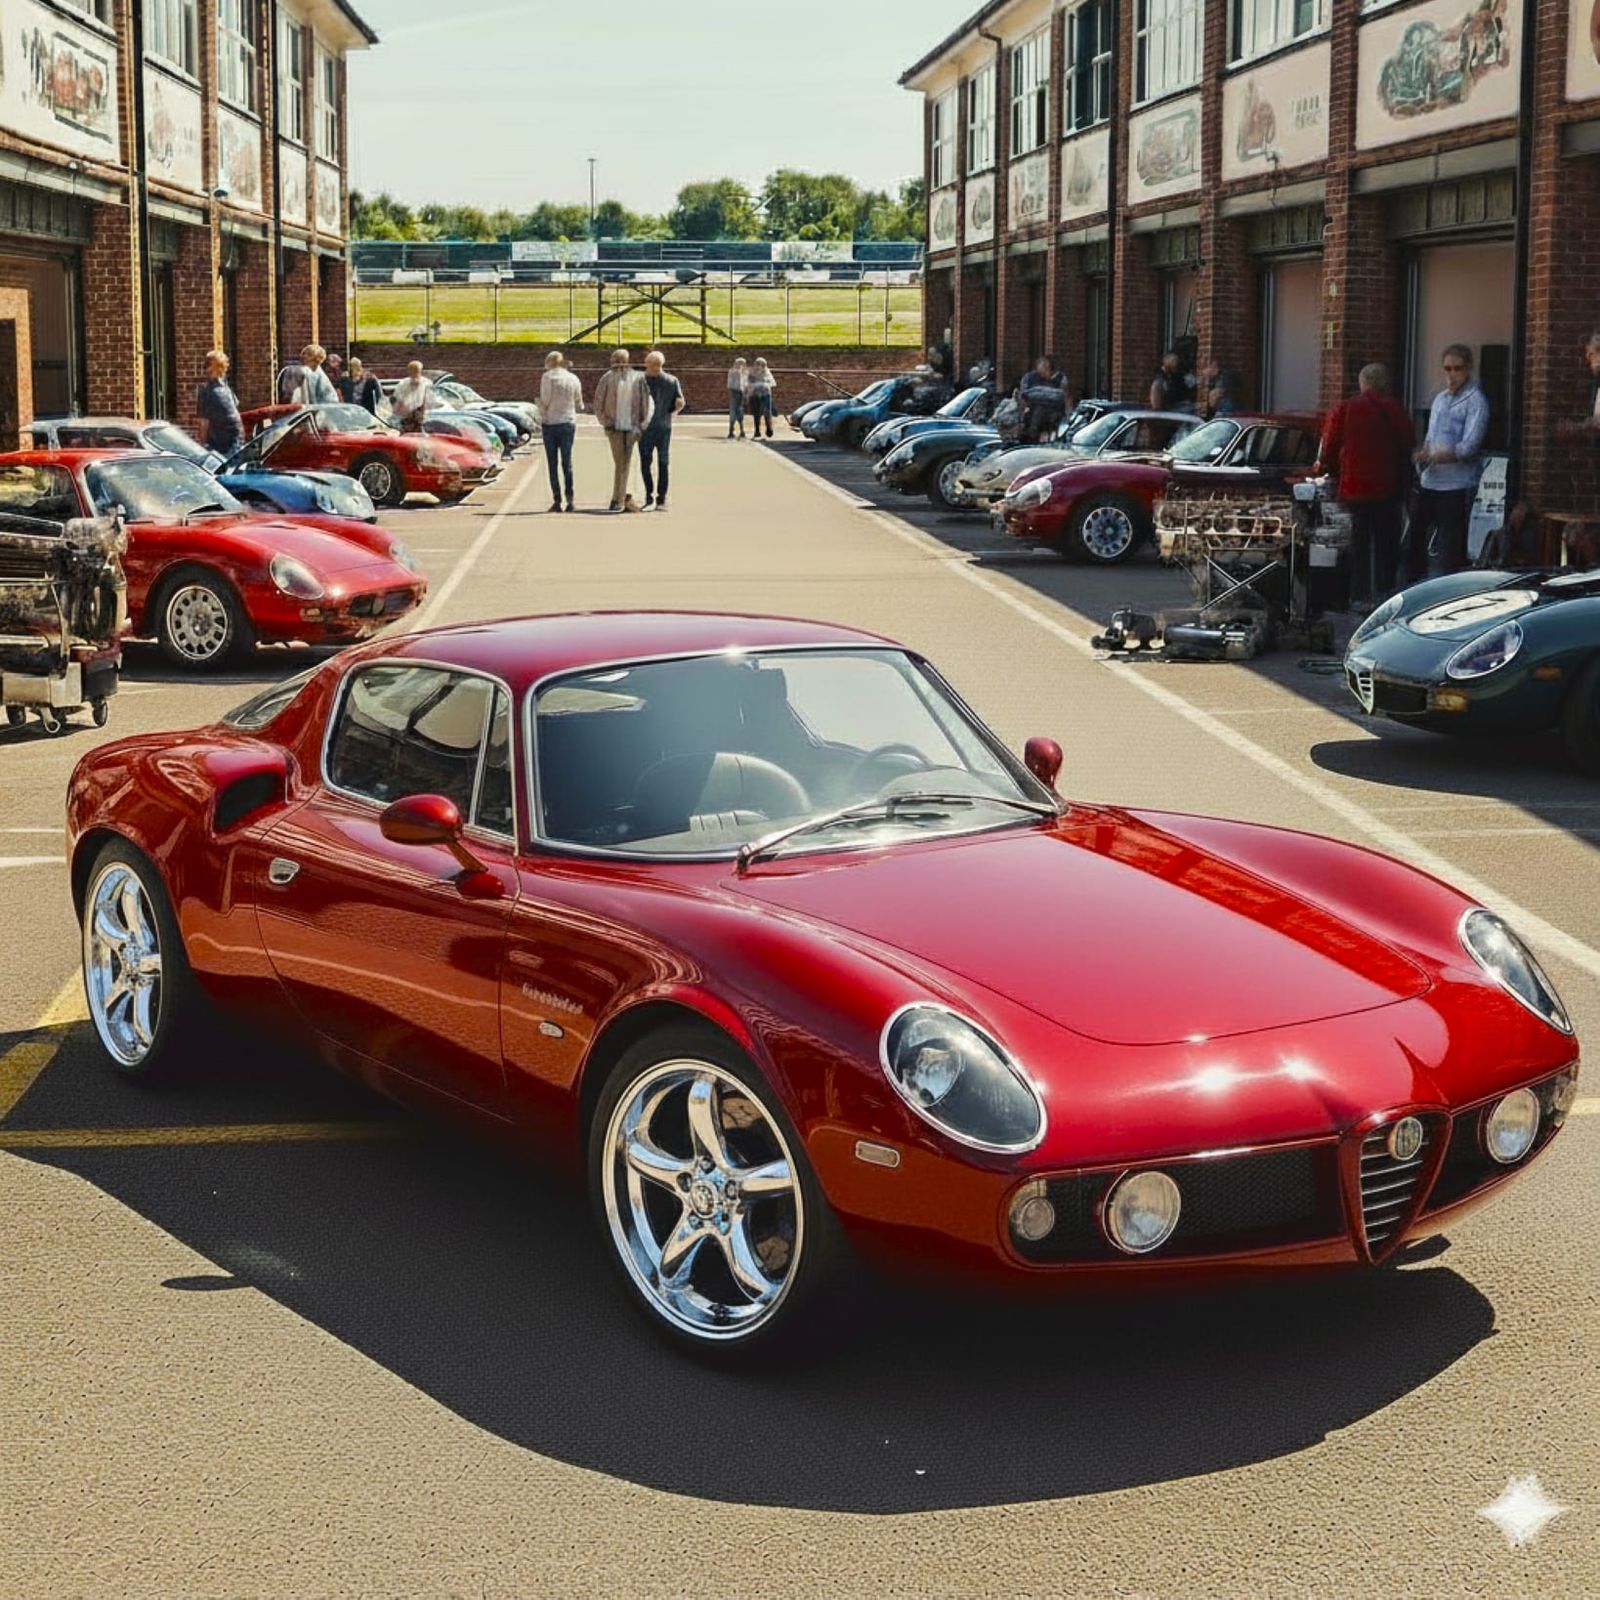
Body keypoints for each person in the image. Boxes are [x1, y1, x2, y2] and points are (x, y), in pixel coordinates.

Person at [1315, 363, 1416, 607]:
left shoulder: (1346, 408)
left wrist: (1324, 465)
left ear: (1362, 383)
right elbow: (1409, 440)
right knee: (1386, 544)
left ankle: (1358, 595)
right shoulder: (1394, 408)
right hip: (1387, 488)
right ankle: (1386, 595)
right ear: (1384, 383)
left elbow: (1329, 445)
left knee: (1359, 545)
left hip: (1355, 488)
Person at [1406, 342, 1490, 580]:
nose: (1452, 375)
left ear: (1468, 369)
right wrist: (1424, 454)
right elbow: (1432, 437)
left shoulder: (1476, 401)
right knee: (1414, 541)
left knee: (1449, 548)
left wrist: (1443, 454)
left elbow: (1470, 445)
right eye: (1448, 369)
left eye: (1457, 369)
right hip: (1430, 480)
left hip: (1456, 484)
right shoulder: (1440, 399)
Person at [592, 347, 654, 512]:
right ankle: (620, 498)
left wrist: (642, 425)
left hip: (632, 427)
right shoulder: (607, 378)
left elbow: (645, 403)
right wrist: (605, 422)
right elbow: (598, 403)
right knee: (621, 463)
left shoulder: (637, 378)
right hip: (614, 427)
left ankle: (619, 499)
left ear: (626, 362)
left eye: (619, 361)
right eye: (614, 361)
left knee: (624, 464)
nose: (616, 364)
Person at [639, 349, 685, 512]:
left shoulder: (671, 381)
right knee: (646, 462)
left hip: (663, 427)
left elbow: (679, 401)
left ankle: (661, 498)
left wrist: (678, 405)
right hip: (644, 428)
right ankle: (648, 495)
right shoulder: (640, 381)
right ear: (646, 364)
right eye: (652, 365)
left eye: (657, 365)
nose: (654, 368)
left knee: (663, 462)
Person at [538, 350, 582, 513]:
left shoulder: (548, 377)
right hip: (568, 422)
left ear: (549, 362)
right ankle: (571, 499)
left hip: (551, 423)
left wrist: (542, 414)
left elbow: (545, 400)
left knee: (552, 462)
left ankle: (557, 500)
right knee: (567, 461)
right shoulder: (573, 378)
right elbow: (579, 400)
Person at [194, 349, 244, 459]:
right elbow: (236, 413)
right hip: (236, 442)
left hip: (219, 446)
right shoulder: (226, 389)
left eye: (207, 364)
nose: (205, 367)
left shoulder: (207, 392)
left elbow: (204, 423)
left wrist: (201, 448)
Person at [1018, 355, 1068, 442]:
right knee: (1037, 413)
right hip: (1034, 408)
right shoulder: (1029, 378)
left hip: (1054, 409)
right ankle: (1033, 437)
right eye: (1042, 368)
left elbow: (1066, 396)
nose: (1044, 372)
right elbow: (1022, 396)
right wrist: (1021, 412)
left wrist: (1068, 414)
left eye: (1046, 368)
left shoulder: (1060, 378)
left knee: (1046, 414)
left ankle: (1044, 436)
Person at [390, 360, 436, 432]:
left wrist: (422, 411)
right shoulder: (402, 384)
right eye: (412, 370)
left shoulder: (428, 383)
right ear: (408, 371)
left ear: (421, 371)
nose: (415, 373)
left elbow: (431, 402)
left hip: (422, 420)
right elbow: (397, 401)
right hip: (405, 420)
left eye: (417, 370)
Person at [745, 357, 776, 438]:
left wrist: (762, 384)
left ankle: (769, 428)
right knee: (756, 413)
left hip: (766, 394)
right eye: (757, 364)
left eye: (761, 365)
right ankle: (757, 430)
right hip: (755, 395)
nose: (759, 366)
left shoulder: (767, 372)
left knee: (767, 411)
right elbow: (748, 384)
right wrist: (749, 393)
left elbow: (772, 383)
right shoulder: (751, 373)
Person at [726, 357, 748, 438]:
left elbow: (745, 383)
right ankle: (731, 430)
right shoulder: (732, 371)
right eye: (741, 364)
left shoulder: (744, 372)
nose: (743, 366)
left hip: (741, 393)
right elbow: (730, 383)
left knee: (740, 411)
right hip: (734, 392)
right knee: (734, 411)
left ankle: (741, 430)